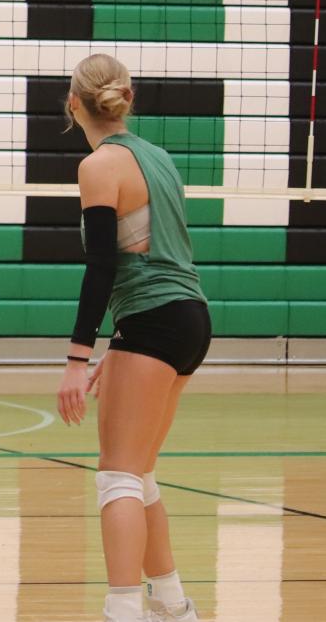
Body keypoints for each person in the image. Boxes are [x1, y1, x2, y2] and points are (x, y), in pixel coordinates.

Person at [55, 54, 210, 622]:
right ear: (128, 95)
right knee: (140, 470)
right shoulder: (159, 158)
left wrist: (79, 356)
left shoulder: (99, 167)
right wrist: (120, 347)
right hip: (188, 317)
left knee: (118, 473)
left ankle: (123, 608)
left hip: (151, 317)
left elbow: (102, 266)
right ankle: (171, 602)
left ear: (74, 104)